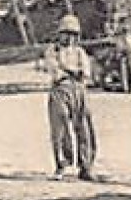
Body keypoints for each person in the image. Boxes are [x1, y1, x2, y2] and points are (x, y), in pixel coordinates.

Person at [39, 14, 97, 181]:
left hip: (79, 90)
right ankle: (62, 164)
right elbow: (55, 71)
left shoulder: (80, 52)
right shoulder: (53, 51)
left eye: (73, 34)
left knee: (84, 126)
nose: (69, 38)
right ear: (60, 34)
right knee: (60, 127)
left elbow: (86, 72)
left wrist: (72, 71)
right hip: (60, 90)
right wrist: (72, 71)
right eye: (66, 33)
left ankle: (85, 165)